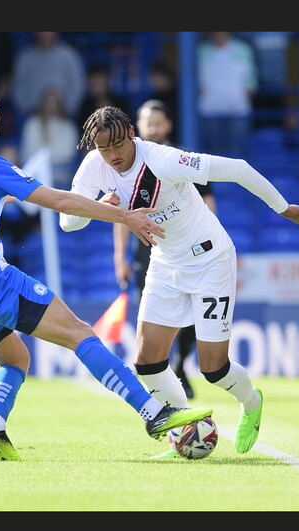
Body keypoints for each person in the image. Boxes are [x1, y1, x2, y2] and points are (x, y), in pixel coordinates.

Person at [0, 95, 213, 461]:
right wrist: (124, 217)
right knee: (81, 334)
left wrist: (94, 207)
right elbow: (58, 201)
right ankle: (154, 414)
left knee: (14, 360)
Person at [60, 106, 299, 457]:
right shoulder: (95, 165)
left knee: (213, 369)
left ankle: (251, 402)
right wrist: (99, 206)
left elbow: (238, 169)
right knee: (147, 362)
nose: (112, 156)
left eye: (117, 146)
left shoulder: (164, 159)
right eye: (103, 148)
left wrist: (282, 208)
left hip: (211, 260)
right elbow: (67, 221)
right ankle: (184, 431)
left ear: (130, 133)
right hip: (165, 264)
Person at [111, 99, 216, 400]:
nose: (153, 128)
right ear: (138, 129)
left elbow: (208, 202)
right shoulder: (128, 170)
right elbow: (119, 217)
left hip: (190, 247)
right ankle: (164, 373)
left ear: (168, 125)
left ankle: (181, 366)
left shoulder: (183, 159)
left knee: (192, 312)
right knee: (157, 313)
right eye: (148, 123)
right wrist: (120, 257)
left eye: (158, 122)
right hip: (149, 251)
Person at [196, 32, 258, 159]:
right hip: (209, 110)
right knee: (212, 155)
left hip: (238, 110)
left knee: (238, 154)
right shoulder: (201, 51)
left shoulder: (243, 49)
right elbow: (196, 78)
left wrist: (246, 94)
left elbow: (251, 78)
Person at [10, 32, 86, 118]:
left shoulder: (70, 55)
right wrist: (33, 111)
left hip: (64, 116)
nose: (46, 34)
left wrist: (66, 110)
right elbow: (19, 91)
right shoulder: (25, 58)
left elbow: (77, 88)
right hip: (32, 117)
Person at [19, 87, 81, 186]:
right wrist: (44, 158)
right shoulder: (32, 123)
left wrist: (45, 155)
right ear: (42, 103)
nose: (51, 105)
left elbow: (68, 154)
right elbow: (27, 152)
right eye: (48, 101)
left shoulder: (68, 126)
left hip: (60, 173)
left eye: (55, 102)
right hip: (33, 174)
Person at [77, 63, 131, 129]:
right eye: (94, 82)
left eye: (100, 81)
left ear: (107, 81)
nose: (97, 86)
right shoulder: (85, 106)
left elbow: (128, 126)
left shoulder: (121, 103)